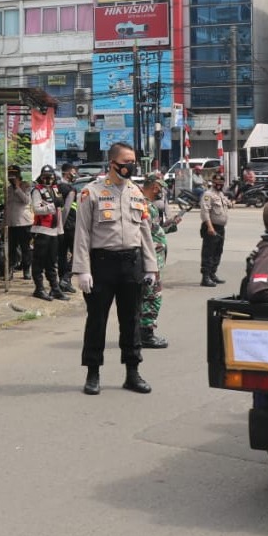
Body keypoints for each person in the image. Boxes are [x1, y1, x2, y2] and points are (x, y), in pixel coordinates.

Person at [73, 142, 158, 396]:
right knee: (97, 320)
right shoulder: (92, 192)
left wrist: (151, 267)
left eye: (133, 161)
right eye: (126, 162)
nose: (131, 166)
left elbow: (144, 231)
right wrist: (82, 270)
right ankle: (93, 373)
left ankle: (132, 373)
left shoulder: (136, 193)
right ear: (113, 164)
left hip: (131, 264)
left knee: (131, 320)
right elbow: (82, 234)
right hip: (102, 264)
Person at [139, 172, 170, 347]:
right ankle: (146, 334)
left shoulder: (147, 205)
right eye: (161, 188)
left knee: (147, 296)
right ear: (155, 187)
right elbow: (146, 233)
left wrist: (172, 224)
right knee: (153, 297)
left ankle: (141, 332)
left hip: (153, 258)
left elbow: (156, 229)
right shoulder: (145, 205)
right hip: (150, 260)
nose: (161, 192)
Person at [30, 165, 68, 301]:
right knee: (39, 262)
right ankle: (39, 288)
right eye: (45, 177)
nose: (48, 180)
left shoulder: (55, 189)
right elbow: (36, 209)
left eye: (50, 177)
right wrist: (52, 206)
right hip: (41, 231)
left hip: (54, 232)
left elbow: (59, 210)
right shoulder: (37, 191)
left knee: (52, 263)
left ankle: (55, 288)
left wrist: (60, 231)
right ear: (41, 177)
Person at [200, 172, 230, 287]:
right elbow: (205, 212)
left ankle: (212, 274)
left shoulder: (220, 194)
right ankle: (205, 277)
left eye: (221, 183)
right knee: (209, 252)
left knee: (218, 251)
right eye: (216, 183)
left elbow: (227, 204)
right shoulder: (208, 194)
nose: (219, 185)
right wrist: (210, 227)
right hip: (211, 227)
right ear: (213, 183)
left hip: (221, 228)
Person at [4, 164, 32, 278]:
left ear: (18, 175)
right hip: (11, 223)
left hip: (24, 222)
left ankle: (26, 270)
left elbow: (26, 200)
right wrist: (3, 224)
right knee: (11, 248)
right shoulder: (8, 189)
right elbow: (7, 206)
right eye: (9, 175)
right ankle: (10, 270)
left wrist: (17, 187)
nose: (11, 177)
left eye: (13, 175)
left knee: (25, 248)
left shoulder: (26, 186)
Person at [57, 163, 78, 294]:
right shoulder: (69, 189)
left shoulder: (57, 187)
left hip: (60, 227)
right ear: (67, 173)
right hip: (69, 226)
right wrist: (63, 225)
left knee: (62, 255)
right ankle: (66, 278)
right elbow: (67, 208)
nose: (75, 174)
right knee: (77, 254)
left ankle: (63, 282)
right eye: (73, 172)